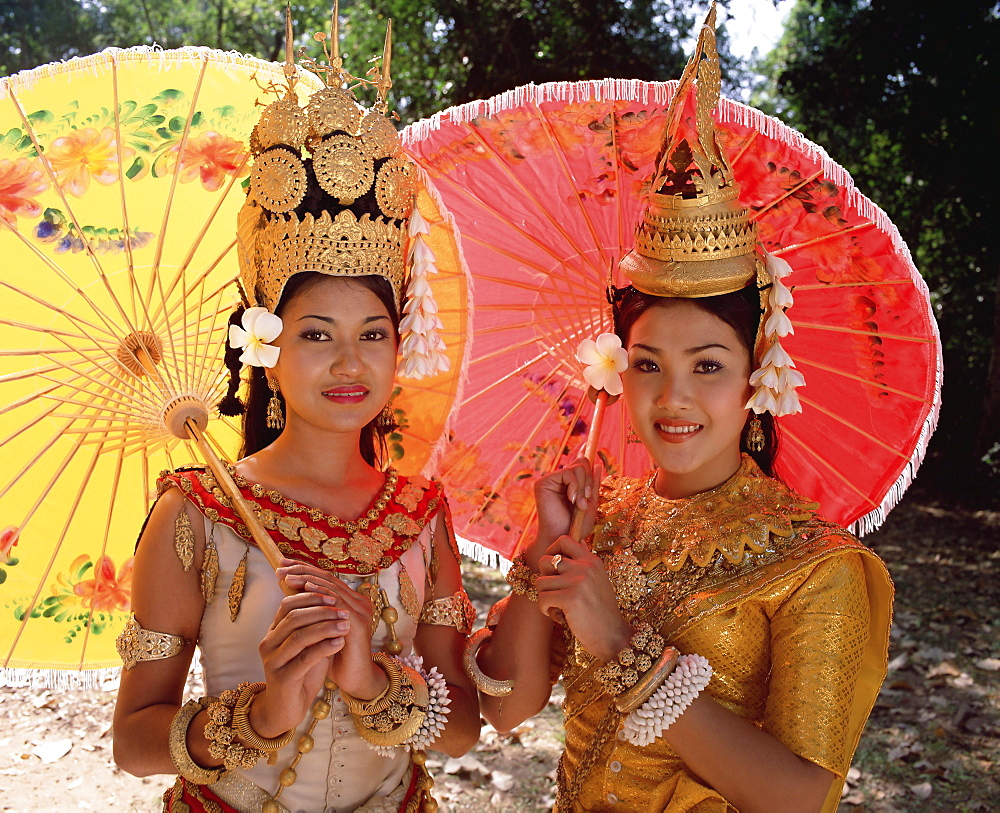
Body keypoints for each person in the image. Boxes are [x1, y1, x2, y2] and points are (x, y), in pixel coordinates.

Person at [464, 9, 893, 813]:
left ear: (757, 376)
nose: (674, 397)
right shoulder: (601, 516)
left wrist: (617, 642)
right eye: (648, 364)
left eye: (708, 365)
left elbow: (802, 797)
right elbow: (506, 707)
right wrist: (547, 546)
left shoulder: (818, 566)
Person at [112, 18, 479, 813]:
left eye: (372, 335)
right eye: (316, 335)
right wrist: (262, 712)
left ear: (397, 346)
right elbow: (133, 741)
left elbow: (461, 729)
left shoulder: (421, 518)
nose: (350, 363)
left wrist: (373, 678)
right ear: (264, 346)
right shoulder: (194, 513)